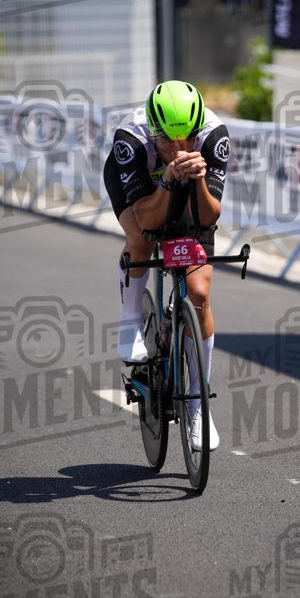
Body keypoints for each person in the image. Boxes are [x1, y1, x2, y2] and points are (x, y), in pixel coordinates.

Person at [103, 81, 230, 451]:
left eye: (186, 140)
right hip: (144, 193)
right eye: (167, 142)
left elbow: (206, 218)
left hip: (191, 192)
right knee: (142, 240)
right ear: (152, 131)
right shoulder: (131, 138)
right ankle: (129, 322)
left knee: (199, 293)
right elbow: (147, 219)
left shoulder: (213, 137)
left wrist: (198, 178)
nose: (178, 149)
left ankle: (197, 404)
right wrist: (169, 180)